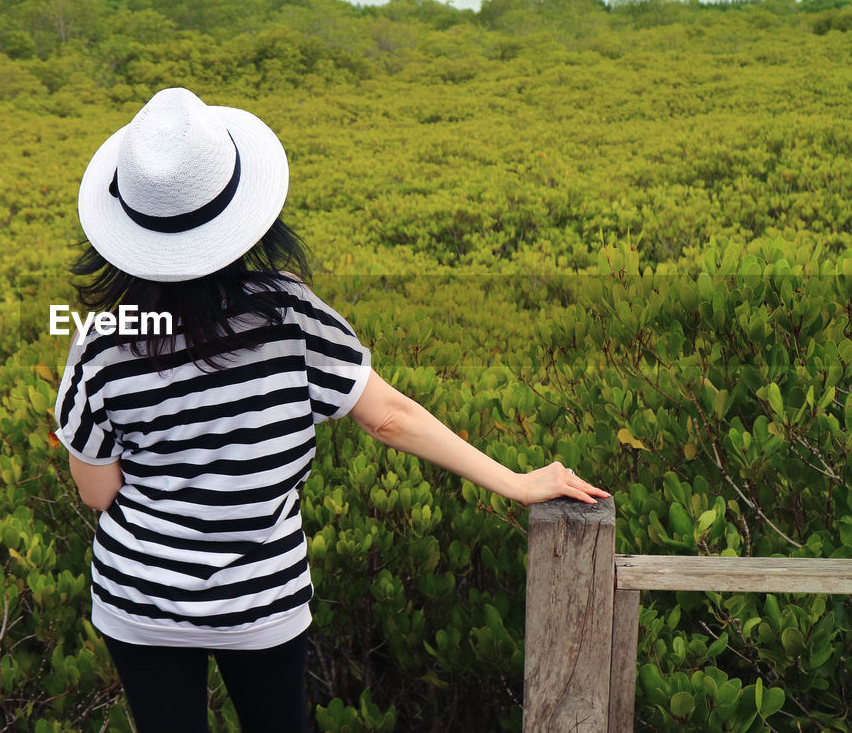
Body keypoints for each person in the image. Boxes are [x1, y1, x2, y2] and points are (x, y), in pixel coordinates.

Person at [53, 87, 608, 732]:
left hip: (140, 599)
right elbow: (390, 417)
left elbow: (97, 492)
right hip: (264, 595)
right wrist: (516, 482)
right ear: (241, 213)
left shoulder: (101, 339)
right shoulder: (291, 314)